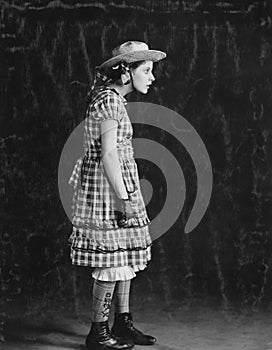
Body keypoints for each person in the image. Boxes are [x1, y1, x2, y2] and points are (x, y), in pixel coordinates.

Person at [68, 41, 166, 350]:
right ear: (126, 72)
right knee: (112, 262)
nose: (152, 77)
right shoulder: (109, 102)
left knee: (124, 258)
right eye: (146, 70)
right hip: (108, 191)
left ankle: (122, 324)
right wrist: (123, 198)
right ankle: (98, 332)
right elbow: (108, 156)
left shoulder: (114, 101)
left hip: (119, 186)